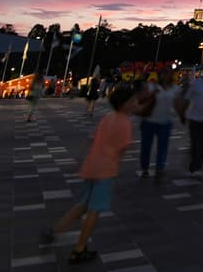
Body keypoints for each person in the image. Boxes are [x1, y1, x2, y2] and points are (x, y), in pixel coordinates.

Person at [41, 84, 138, 264]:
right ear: (125, 104)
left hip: (91, 166)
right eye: (132, 101)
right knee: (94, 210)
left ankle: (55, 230)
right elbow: (122, 149)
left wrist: (80, 159)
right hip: (105, 170)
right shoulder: (125, 122)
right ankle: (79, 248)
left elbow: (92, 140)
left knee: (82, 205)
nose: (135, 104)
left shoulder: (108, 118)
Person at [175, 63, 203, 174]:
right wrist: (182, 114)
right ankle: (196, 162)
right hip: (196, 119)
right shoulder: (196, 84)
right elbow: (187, 99)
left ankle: (198, 163)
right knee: (196, 144)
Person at [138, 69, 177, 179]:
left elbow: (177, 103)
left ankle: (160, 168)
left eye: (169, 74)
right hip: (149, 121)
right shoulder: (151, 86)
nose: (166, 76)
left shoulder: (174, 88)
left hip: (165, 122)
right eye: (164, 74)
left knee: (163, 147)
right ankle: (145, 168)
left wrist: (183, 115)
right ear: (160, 75)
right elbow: (140, 100)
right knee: (146, 146)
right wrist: (151, 94)